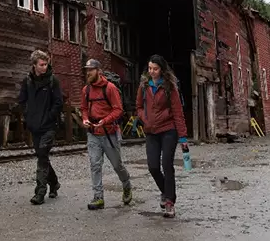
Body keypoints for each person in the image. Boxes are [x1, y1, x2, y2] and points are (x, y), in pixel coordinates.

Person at [136, 54, 189, 218]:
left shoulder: (169, 87)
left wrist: (183, 138)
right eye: (150, 68)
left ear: (162, 69)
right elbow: (138, 106)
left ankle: (170, 203)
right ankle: (165, 192)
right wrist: (144, 118)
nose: (152, 71)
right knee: (153, 167)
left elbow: (178, 112)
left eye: (155, 69)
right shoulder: (144, 85)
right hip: (151, 131)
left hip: (168, 130)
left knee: (167, 164)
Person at [81, 59, 132, 210]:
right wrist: (85, 119)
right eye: (87, 70)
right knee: (95, 165)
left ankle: (127, 185)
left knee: (117, 165)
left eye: (91, 70)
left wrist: (105, 120)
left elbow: (118, 109)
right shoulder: (86, 90)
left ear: (99, 71)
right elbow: (83, 108)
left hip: (109, 133)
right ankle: (98, 197)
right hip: (93, 133)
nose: (88, 73)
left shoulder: (110, 88)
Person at [18, 50, 64, 205]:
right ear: (34, 65)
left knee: (42, 155)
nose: (44, 67)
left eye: (46, 64)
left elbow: (59, 102)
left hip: (49, 126)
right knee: (42, 156)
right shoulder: (28, 81)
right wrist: (28, 115)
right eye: (42, 64)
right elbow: (22, 100)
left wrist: (49, 116)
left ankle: (40, 192)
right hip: (34, 125)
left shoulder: (53, 81)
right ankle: (55, 183)